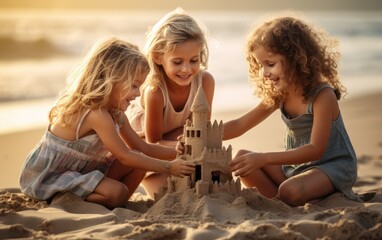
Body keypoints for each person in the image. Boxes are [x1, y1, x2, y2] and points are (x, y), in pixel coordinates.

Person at [19, 37, 195, 209]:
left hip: (83, 171)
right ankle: (67, 200)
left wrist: (177, 152)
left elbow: (143, 148)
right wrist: (169, 168)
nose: (138, 94)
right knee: (117, 191)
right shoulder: (95, 113)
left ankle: (113, 202)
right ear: (111, 80)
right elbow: (124, 155)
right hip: (53, 176)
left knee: (140, 165)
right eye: (134, 86)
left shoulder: (116, 114)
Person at [224, 15, 359, 206]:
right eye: (260, 65)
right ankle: (280, 203)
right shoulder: (281, 95)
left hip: (332, 167)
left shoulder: (322, 96)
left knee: (290, 189)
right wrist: (202, 133)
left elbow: (315, 150)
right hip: (297, 169)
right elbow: (239, 125)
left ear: (296, 59)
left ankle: (296, 197)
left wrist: (263, 158)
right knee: (241, 160)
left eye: (270, 64)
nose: (264, 73)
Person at [126, 8, 215, 198]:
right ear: (158, 57)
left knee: (205, 189)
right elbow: (152, 141)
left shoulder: (205, 81)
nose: (186, 69)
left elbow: (203, 128)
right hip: (149, 153)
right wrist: (182, 146)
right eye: (177, 62)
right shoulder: (155, 90)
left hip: (182, 145)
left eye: (193, 60)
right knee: (170, 195)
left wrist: (189, 144)